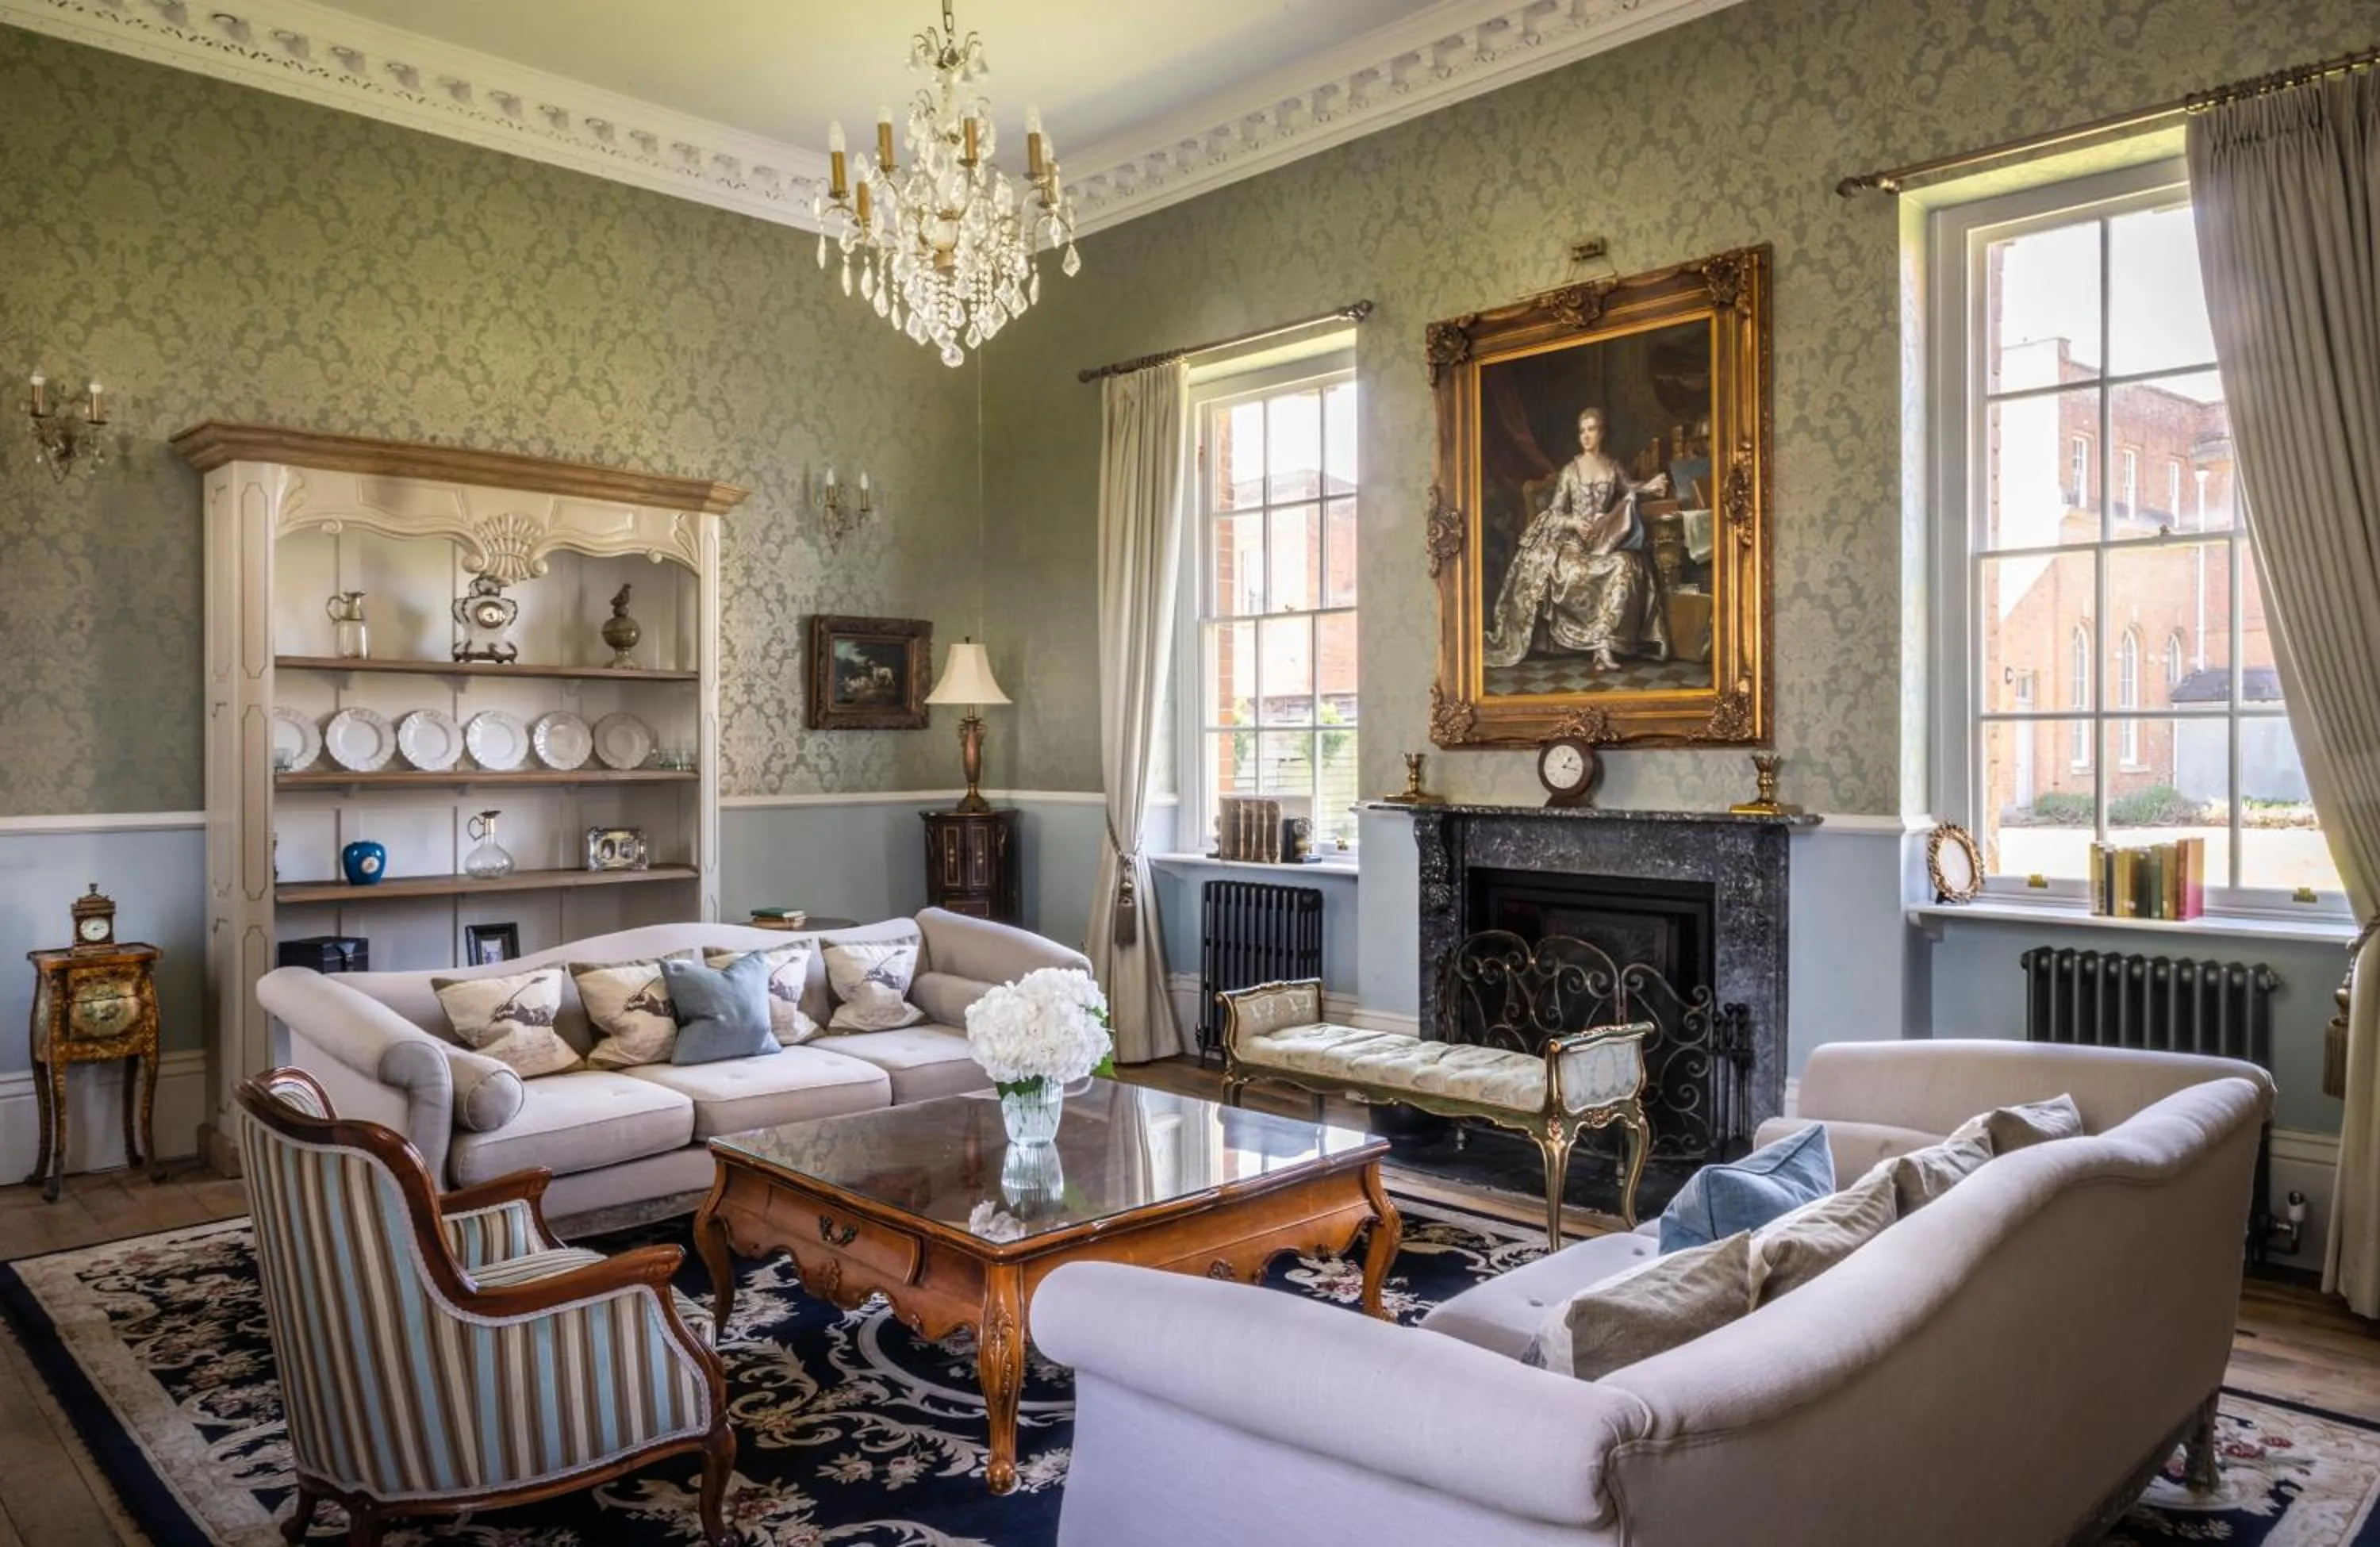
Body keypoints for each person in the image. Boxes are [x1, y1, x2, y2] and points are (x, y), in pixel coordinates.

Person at [1483, 407, 1671, 672]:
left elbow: (1632, 490)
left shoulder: (1612, 467)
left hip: (1603, 541)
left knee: (1627, 566)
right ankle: (1598, 646)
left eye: (1591, 429)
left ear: (1602, 432)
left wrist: (1650, 485)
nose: (1585, 435)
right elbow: (1555, 513)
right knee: (1575, 570)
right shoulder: (1571, 471)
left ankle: (1604, 644)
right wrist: (1575, 522)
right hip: (1572, 544)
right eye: (1582, 430)